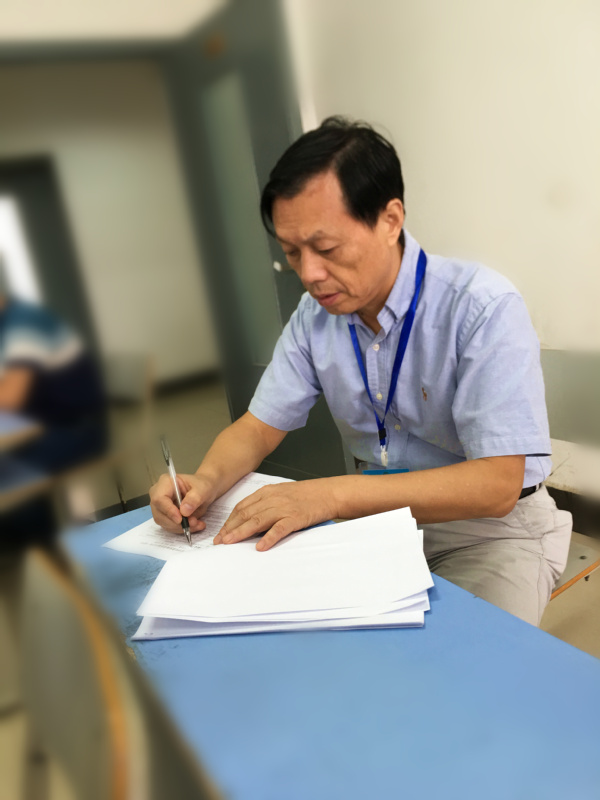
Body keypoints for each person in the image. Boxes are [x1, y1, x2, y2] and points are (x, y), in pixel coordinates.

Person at [150, 117, 571, 626]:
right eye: (291, 254)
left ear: (390, 220)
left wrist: (328, 496)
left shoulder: (481, 307)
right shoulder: (314, 317)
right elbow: (257, 428)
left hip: (491, 532)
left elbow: (496, 485)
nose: (309, 275)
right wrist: (204, 483)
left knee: (465, 664)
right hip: (377, 524)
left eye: (327, 249)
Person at [0, 283, 107, 540]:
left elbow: (11, 397)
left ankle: (44, 545)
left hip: (76, 428)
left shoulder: (23, 322)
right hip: (34, 426)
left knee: (11, 474)